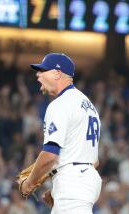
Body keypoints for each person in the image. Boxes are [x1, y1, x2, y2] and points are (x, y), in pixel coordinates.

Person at [19, 53, 102, 213]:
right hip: (81, 180)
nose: (38, 75)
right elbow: (94, 161)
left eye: (42, 71)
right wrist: (58, 190)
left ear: (57, 73)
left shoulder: (60, 104)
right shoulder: (88, 105)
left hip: (73, 183)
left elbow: (50, 156)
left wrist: (29, 184)